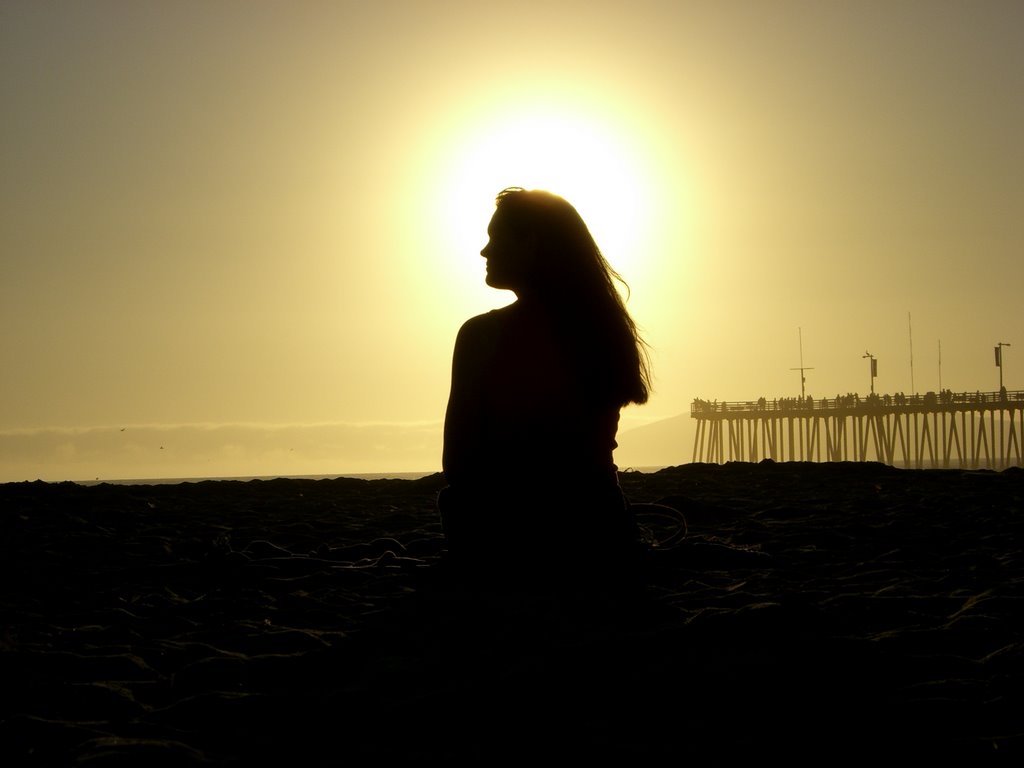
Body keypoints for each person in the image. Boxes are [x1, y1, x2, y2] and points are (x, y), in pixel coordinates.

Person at [437, 187, 651, 582]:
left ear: (530, 242)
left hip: (507, 541)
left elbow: (459, 465)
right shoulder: (606, 330)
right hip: (601, 531)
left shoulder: (482, 335)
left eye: (494, 239)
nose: (485, 252)